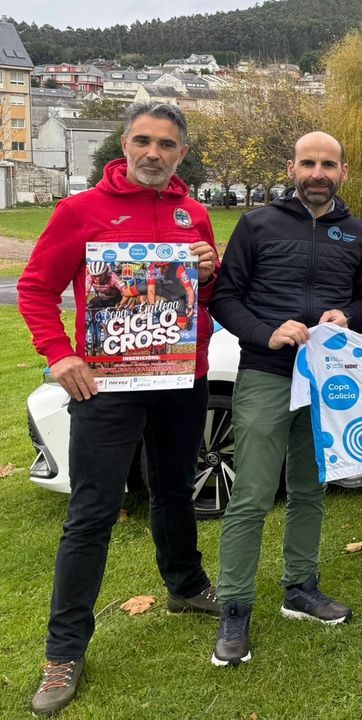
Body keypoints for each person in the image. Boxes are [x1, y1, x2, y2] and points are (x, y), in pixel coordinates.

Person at [18, 101, 221, 717]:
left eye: (166, 144)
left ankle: (185, 586)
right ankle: (65, 651)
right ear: (123, 146)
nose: (153, 153)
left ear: (181, 152)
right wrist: (59, 355)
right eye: (143, 141)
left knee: (173, 489)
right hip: (106, 386)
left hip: (181, 380)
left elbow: (202, 295)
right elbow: (36, 288)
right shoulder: (81, 211)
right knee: (93, 511)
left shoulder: (195, 212)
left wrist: (208, 272)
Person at [209, 131, 362, 666]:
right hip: (267, 372)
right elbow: (225, 298)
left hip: (329, 380)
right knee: (254, 495)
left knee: (309, 488)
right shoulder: (257, 224)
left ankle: (300, 588)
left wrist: (347, 316)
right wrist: (265, 333)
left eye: (329, 163)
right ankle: (235, 608)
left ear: (343, 171)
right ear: (292, 166)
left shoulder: (358, 232)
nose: (318, 172)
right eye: (309, 162)